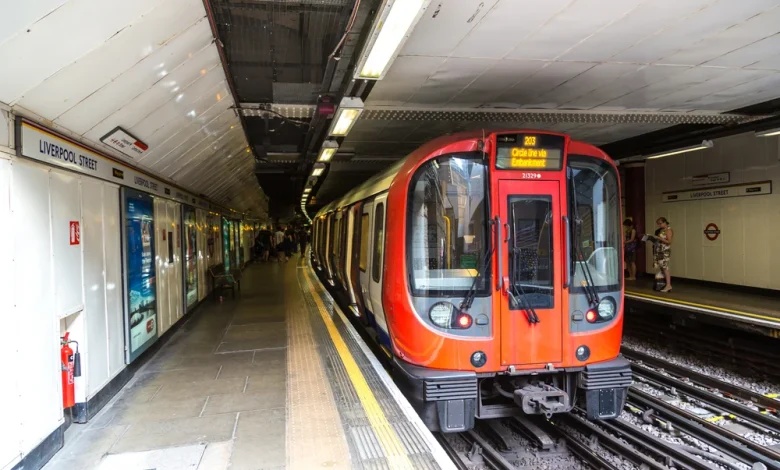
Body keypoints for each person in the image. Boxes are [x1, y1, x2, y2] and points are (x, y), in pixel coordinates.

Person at [652, 217, 673, 292]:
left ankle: (668, 285)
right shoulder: (661, 231)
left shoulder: (668, 230)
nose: (659, 225)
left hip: (665, 251)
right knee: (661, 267)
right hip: (659, 250)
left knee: (665, 267)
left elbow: (669, 241)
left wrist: (659, 238)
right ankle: (664, 283)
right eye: (658, 224)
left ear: (665, 222)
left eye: (660, 223)